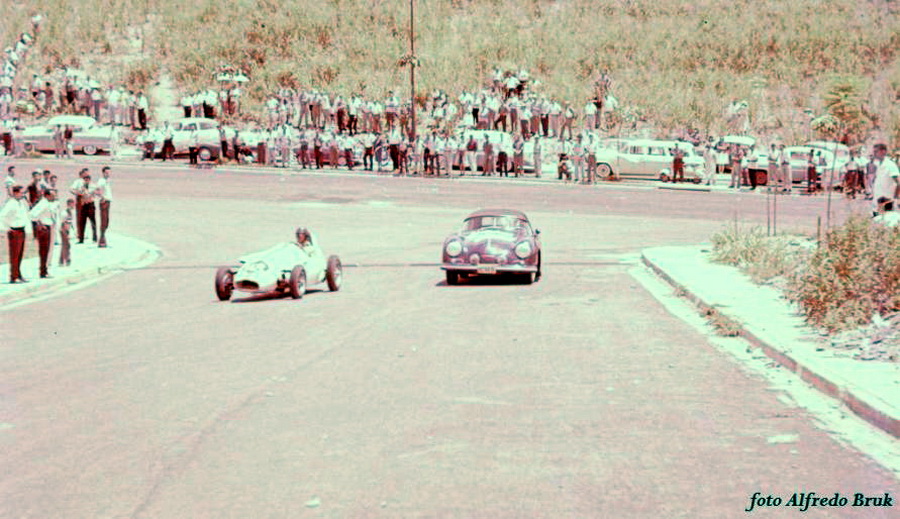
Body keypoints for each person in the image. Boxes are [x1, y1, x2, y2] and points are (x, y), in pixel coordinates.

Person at [2, 185, 29, 282]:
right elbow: (2, 216)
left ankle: (18, 274)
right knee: (14, 255)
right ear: (15, 193)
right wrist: (7, 228)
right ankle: (13, 276)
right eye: (21, 193)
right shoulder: (11, 203)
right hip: (15, 231)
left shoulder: (20, 203)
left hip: (22, 229)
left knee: (20, 254)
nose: (23, 195)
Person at [29, 188, 57, 278]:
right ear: (47, 195)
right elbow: (32, 215)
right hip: (44, 229)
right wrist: (39, 223)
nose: (54, 197)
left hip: (48, 227)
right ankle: (43, 271)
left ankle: (44, 269)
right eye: (52, 195)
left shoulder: (48, 203)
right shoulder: (43, 204)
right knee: (44, 250)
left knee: (46, 250)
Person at [871, 143, 900, 216]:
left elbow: (898, 182)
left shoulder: (890, 165)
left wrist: (895, 197)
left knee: (886, 221)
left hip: (886, 200)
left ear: (883, 152)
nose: (874, 154)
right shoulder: (879, 165)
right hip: (877, 200)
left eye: (876, 152)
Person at [95, 166, 112, 247]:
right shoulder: (101, 181)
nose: (108, 174)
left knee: (106, 221)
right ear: (103, 173)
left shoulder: (107, 180)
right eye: (106, 172)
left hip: (108, 201)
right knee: (104, 221)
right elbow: (96, 190)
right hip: (104, 202)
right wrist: (102, 197)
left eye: (109, 172)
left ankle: (103, 239)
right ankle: (101, 241)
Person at [59, 198, 74, 266]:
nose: (74, 205)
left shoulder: (71, 212)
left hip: (67, 230)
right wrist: (64, 232)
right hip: (63, 230)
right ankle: (67, 259)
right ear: (69, 204)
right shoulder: (64, 213)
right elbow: (62, 223)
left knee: (65, 246)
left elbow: (70, 222)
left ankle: (62, 260)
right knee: (66, 245)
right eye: (72, 204)